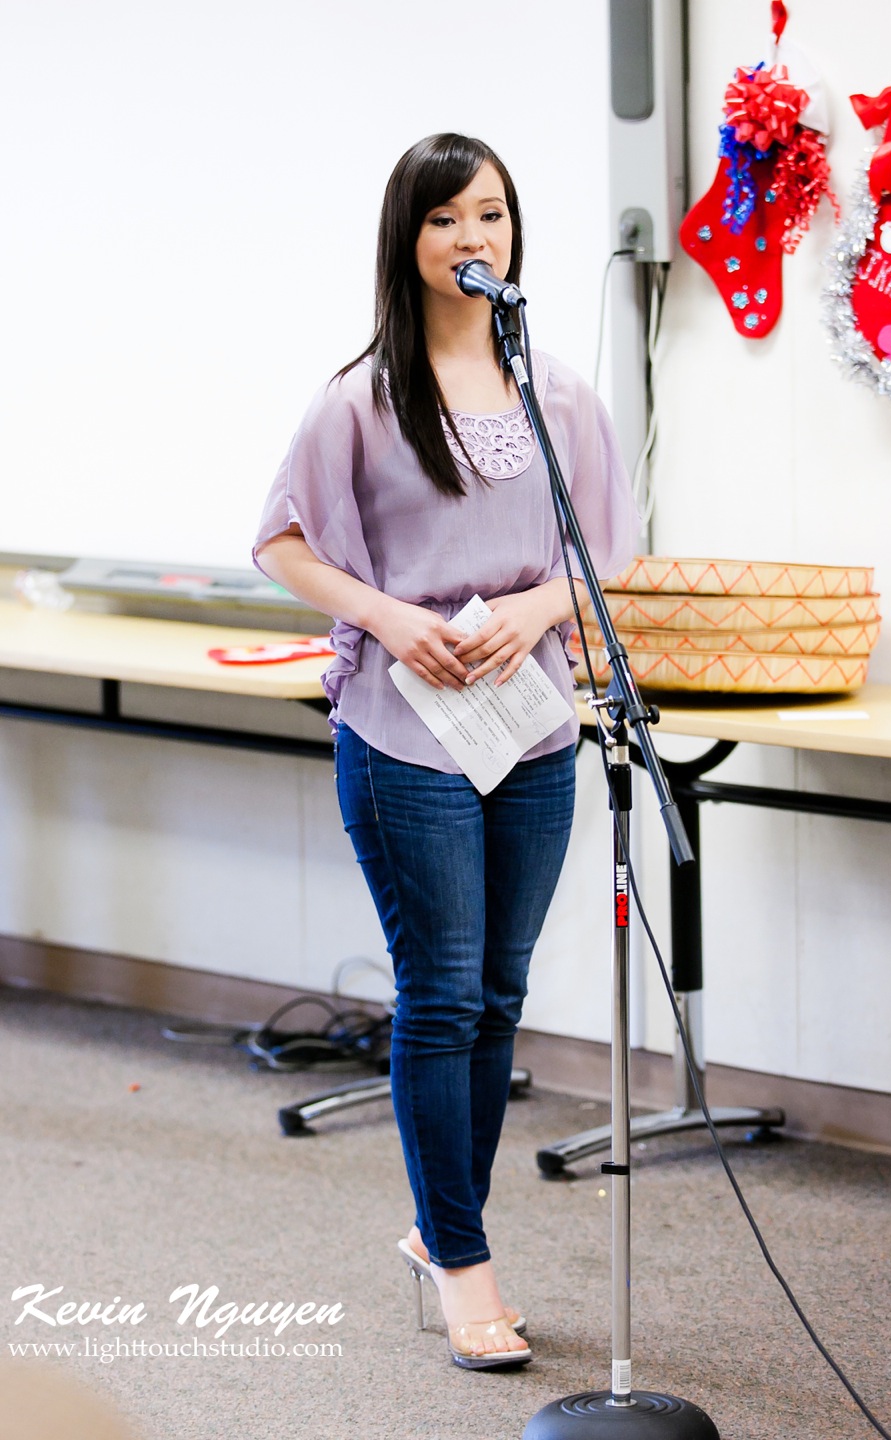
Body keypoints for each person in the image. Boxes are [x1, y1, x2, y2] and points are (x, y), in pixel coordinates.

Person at [254, 133, 638, 1369]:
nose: (474, 240)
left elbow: (609, 552)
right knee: (444, 993)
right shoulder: (360, 398)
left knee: (501, 995)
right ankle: (466, 1264)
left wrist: (541, 608)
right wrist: (386, 615)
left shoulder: (560, 393)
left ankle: (438, 1229)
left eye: (492, 217)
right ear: (406, 242)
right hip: (402, 732)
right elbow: (283, 543)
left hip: (529, 724)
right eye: (446, 221)